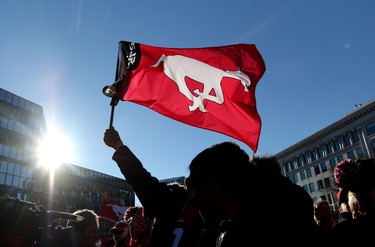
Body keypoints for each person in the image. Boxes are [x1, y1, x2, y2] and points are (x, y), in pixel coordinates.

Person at [103, 127, 211, 247]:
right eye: (189, 177)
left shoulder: (220, 223)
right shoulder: (171, 201)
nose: (187, 181)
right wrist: (118, 145)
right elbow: (141, 179)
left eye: (195, 178)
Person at [186, 147, 316, 246]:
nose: (194, 203)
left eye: (196, 192)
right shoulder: (289, 208)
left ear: (212, 187)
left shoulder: (250, 233)